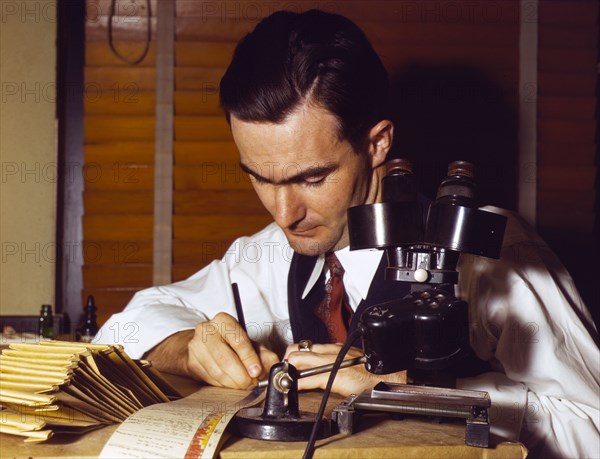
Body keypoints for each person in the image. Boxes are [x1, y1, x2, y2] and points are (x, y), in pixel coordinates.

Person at [96, 9, 599, 458]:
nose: (284, 212)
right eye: (259, 177)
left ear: (377, 143)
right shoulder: (268, 256)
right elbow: (127, 323)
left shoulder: (492, 256)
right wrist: (186, 347)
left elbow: (591, 429)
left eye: (311, 178)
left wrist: (412, 388)